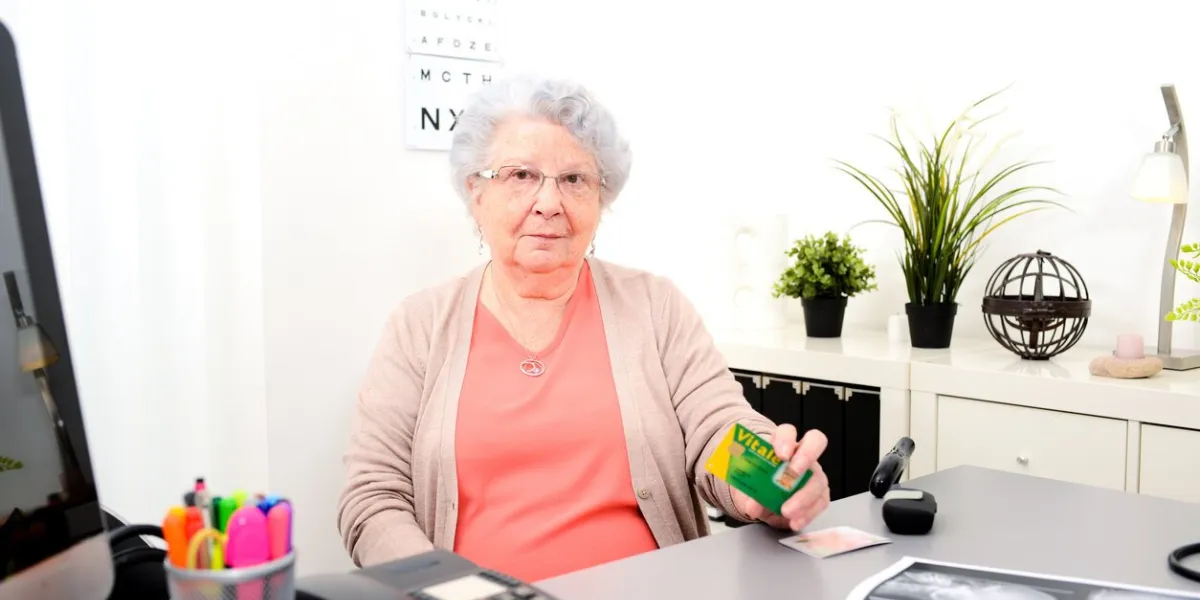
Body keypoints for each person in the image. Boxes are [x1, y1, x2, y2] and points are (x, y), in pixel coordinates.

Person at [336, 75, 831, 583]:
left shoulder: (654, 305)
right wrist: (444, 589)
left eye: (574, 180)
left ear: (601, 199)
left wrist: (771, 479)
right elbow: (374, 498)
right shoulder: (419, 325)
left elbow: (716, 429)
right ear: (476, 192)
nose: (549, 202)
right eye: (521, 175)